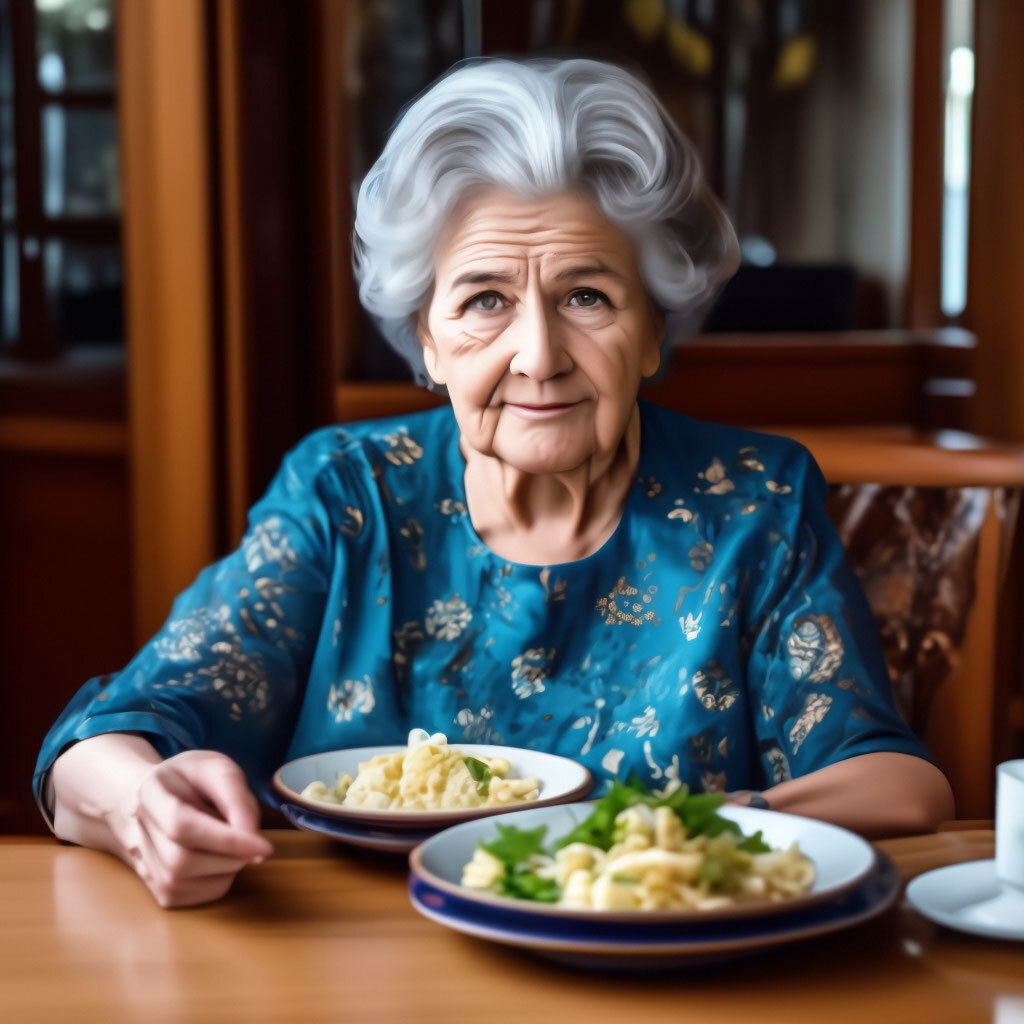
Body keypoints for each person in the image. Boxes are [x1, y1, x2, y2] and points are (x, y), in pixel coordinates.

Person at [37, 58, 953, 908]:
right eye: (485, 301)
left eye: (587, 297)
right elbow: (111, 739)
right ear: (428, 340)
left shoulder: (753, 500)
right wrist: (139, 805)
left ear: (655, 329)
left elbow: (897, 784)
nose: (540, 356)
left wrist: (664, 839)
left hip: (660, 978)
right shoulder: (347, 495)